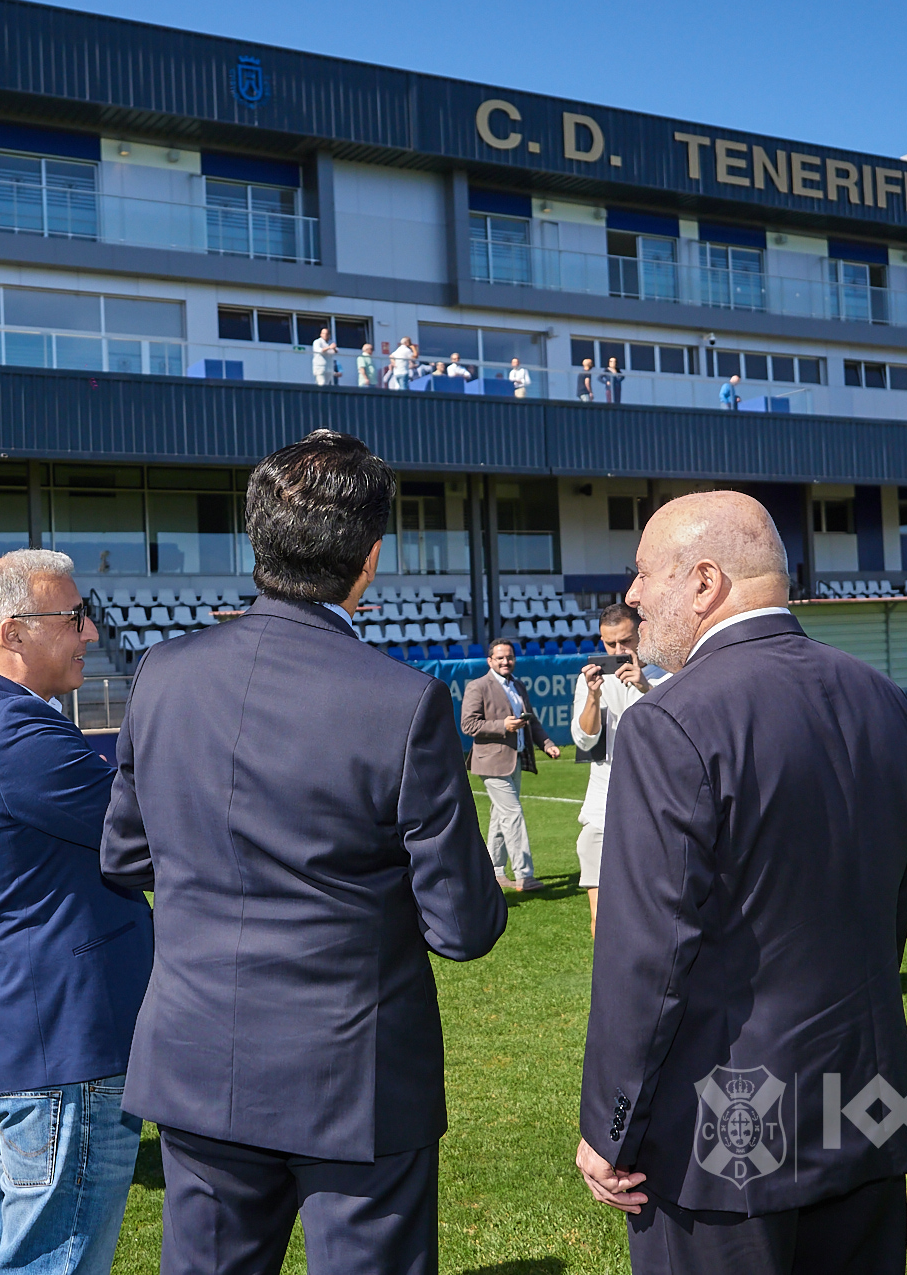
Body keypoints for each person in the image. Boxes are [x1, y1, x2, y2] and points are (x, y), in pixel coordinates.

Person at [101, 430, 505, 1275]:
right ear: (370, 559)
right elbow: (463, 923)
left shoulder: (162, 673)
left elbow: (126, 858)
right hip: (350, 1071)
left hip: (200, 1055)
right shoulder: (404, 703)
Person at [575, 491, 907, 1274]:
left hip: (723, 1141)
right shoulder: (886, 702)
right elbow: (890, 904)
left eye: (642, 574)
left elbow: (647, 956)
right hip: (863, 1109)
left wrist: (609, 1125)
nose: (632, 595)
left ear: (703, 582)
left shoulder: (672, 721)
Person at [0, 549, 152, 1275]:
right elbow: (146, 831)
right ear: (14, 632)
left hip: (47, 1041)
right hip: (64, 1046)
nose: (88, 632)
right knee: (50, 1259)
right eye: (72, 617)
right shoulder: (16, 733)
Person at [568, 604, 664, 935]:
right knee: (600, 917)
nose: (619, 651)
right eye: (610, 644)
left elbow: (676, 733)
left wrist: (645, 689)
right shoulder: (591, 680)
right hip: (602, 805)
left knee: (652, 912)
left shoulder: (667, 675)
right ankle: (608, 986)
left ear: (642, 632)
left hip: (653, 802)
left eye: (626, 641)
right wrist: (593, 696)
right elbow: (584, 740)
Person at [461, 638, 561, 892]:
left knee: (500, 817)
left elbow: (532, 720)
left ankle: (494, 870)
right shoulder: (478, 686)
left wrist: (546, 743)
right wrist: (501, 725)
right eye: (500, 658)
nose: (506, 661)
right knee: (513, 814)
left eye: (509, 657)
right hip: (490, 763)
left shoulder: (518, 685)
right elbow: (468, 725)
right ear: (490, 661)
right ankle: (524, 875)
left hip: (515, 758)